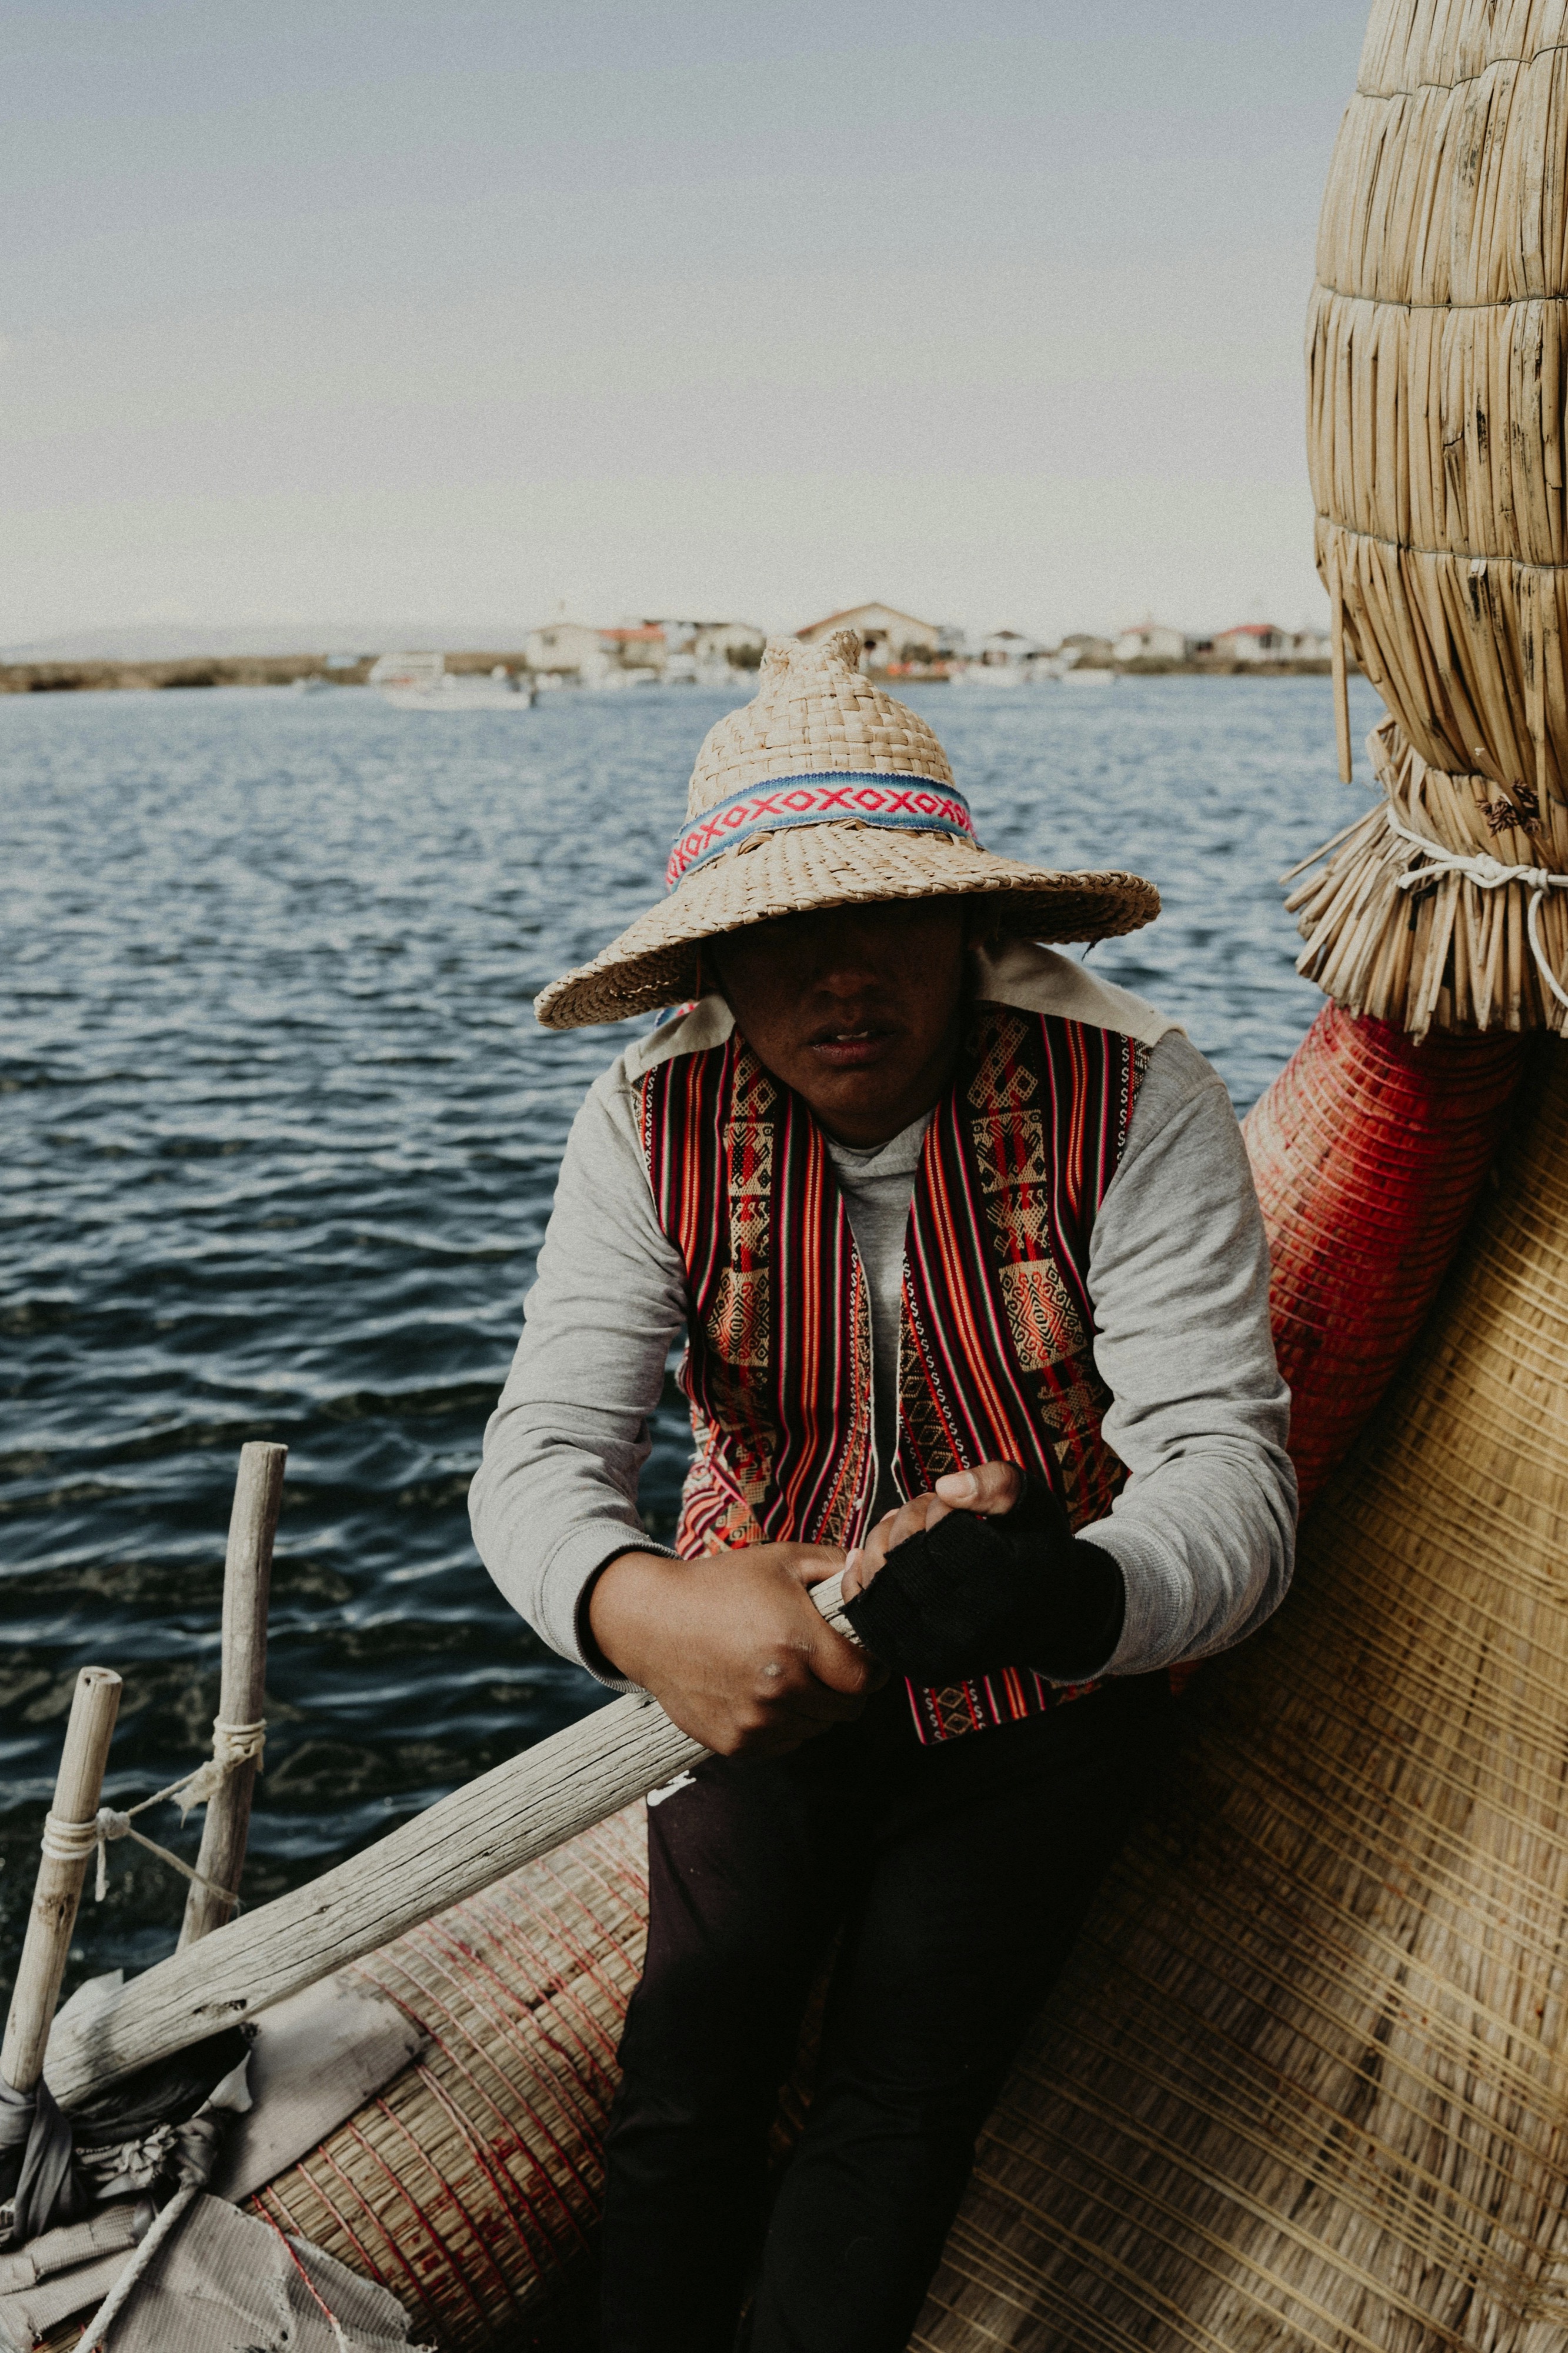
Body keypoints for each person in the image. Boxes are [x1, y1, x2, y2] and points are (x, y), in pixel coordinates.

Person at [470, 631, 1296, 2352]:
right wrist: (645, 1610)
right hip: (751, 1669)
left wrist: (1072, 1598)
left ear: (972, 928)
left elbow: (1227, 1473)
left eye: (886, 919)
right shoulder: (645, 1121)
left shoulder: (1135, 1090)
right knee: (682, 2085)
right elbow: (541, 1459)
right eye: (779, 938)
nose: (839, 976)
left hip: (1045, 1685)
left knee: (899, 2095)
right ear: (713, 965)